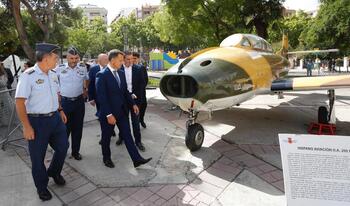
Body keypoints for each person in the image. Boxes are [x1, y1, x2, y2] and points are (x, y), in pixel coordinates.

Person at [15, 43, 69, 201]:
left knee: (63, 147)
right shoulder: (28, 75)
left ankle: (54, 171)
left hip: (55, 119)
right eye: (55, 57)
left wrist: (60, 110)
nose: (57, 60)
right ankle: (41, 186)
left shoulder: (53, 74)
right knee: (38, 157)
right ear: (45, 58)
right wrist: (26, 127)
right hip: (37, 122)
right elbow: (19, 102)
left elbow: (56, 94)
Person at [95, 49, 151, 168]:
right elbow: (101, 98)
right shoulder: (102, 75)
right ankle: (106, 158)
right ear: (113, 60)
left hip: (122, 111)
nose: (122, 62)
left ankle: (136, 160)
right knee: (106, 137)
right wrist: (109, 115)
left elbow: (125, 92)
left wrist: (133, 104)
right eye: (120, 60)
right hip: (108, 114)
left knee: (127, 135)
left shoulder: (120, 73)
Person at [55, 46, 89, 160]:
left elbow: (86, 78)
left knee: (78, 128)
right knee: (64, 129)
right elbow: (54, 84)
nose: (74, 61)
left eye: (76, 58)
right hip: (65, 103)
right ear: (67, 58)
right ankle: (62, 151)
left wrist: (85, 89)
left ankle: (75, 152)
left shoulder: (83, 68)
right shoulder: (59, 68)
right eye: (71, 58)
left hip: (79, 102)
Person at [115, 52, 146, 151]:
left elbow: (142, 83)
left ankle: (138, 141)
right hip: (123, 99)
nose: (130, 61)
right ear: (123, 60)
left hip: (135, 99)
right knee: (123, 121)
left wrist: (135, 94)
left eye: (132, 59)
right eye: (127, 59)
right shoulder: (118, 69)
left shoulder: (138, 69)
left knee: (135, 122)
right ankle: (121, 137)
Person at [132, 52, 148, 129]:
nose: (133, 60)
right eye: (132, 58)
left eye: (135, 58)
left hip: (141, 92)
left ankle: (141, 119)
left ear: (138, 59)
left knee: (143, 106)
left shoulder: (142, 67)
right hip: (132, 93)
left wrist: (141, 89)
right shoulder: (129, 67)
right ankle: (137, 121)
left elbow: (145, 80)